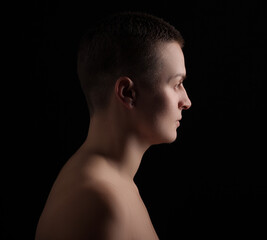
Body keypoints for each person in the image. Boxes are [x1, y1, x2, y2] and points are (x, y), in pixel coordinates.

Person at [35, 12, 191, 240]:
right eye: (177, 84)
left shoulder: (112, 183)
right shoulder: (99, 201)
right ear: (127, 93)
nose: (186, 102)